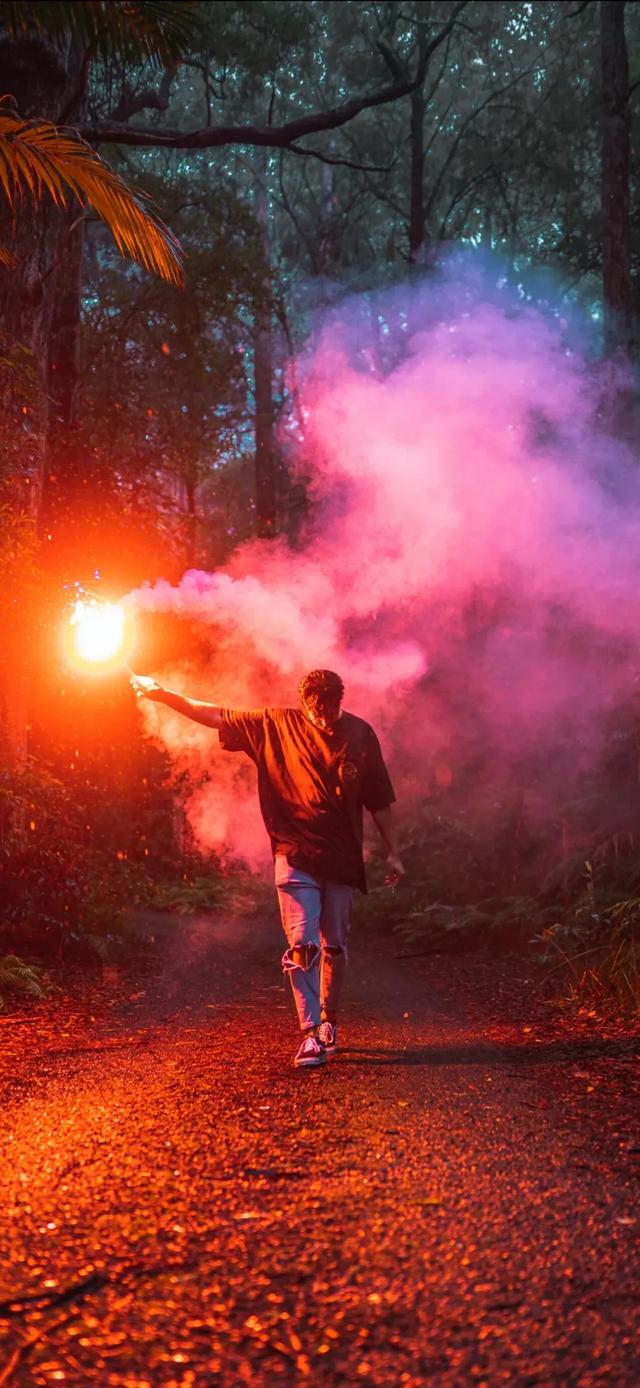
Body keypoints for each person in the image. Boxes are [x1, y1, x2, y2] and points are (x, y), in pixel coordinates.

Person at [130, 667, 404, 1069]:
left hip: (342, 860)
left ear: (341, 700)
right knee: (303, 946)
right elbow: (214, 715)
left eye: (332, 705)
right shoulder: (274, 724)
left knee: (335, 948)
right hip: (293, 855)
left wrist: (394, 851)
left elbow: (379, 799)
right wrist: (163, 695)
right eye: (318, 706)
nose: (325, 714)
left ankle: (330, 1022)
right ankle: (310, 1034)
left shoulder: (360, 734)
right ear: (305, 702)